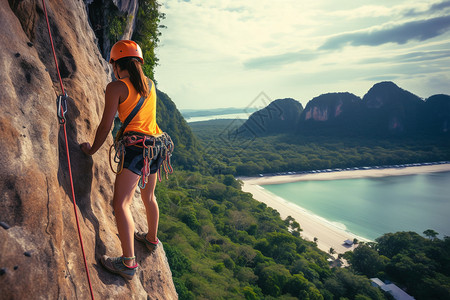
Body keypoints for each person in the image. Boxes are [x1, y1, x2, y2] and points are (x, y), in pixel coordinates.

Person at [80, 40, 172, 280]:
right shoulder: (149, 84)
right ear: (138, 63)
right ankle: (151, 239)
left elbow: (106, 125)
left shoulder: (116, 87)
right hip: (157, 146)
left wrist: (91, 150)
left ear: (114, 63)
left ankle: (128, 263)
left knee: (121, 203)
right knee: (149, 196)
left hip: (137, 149)